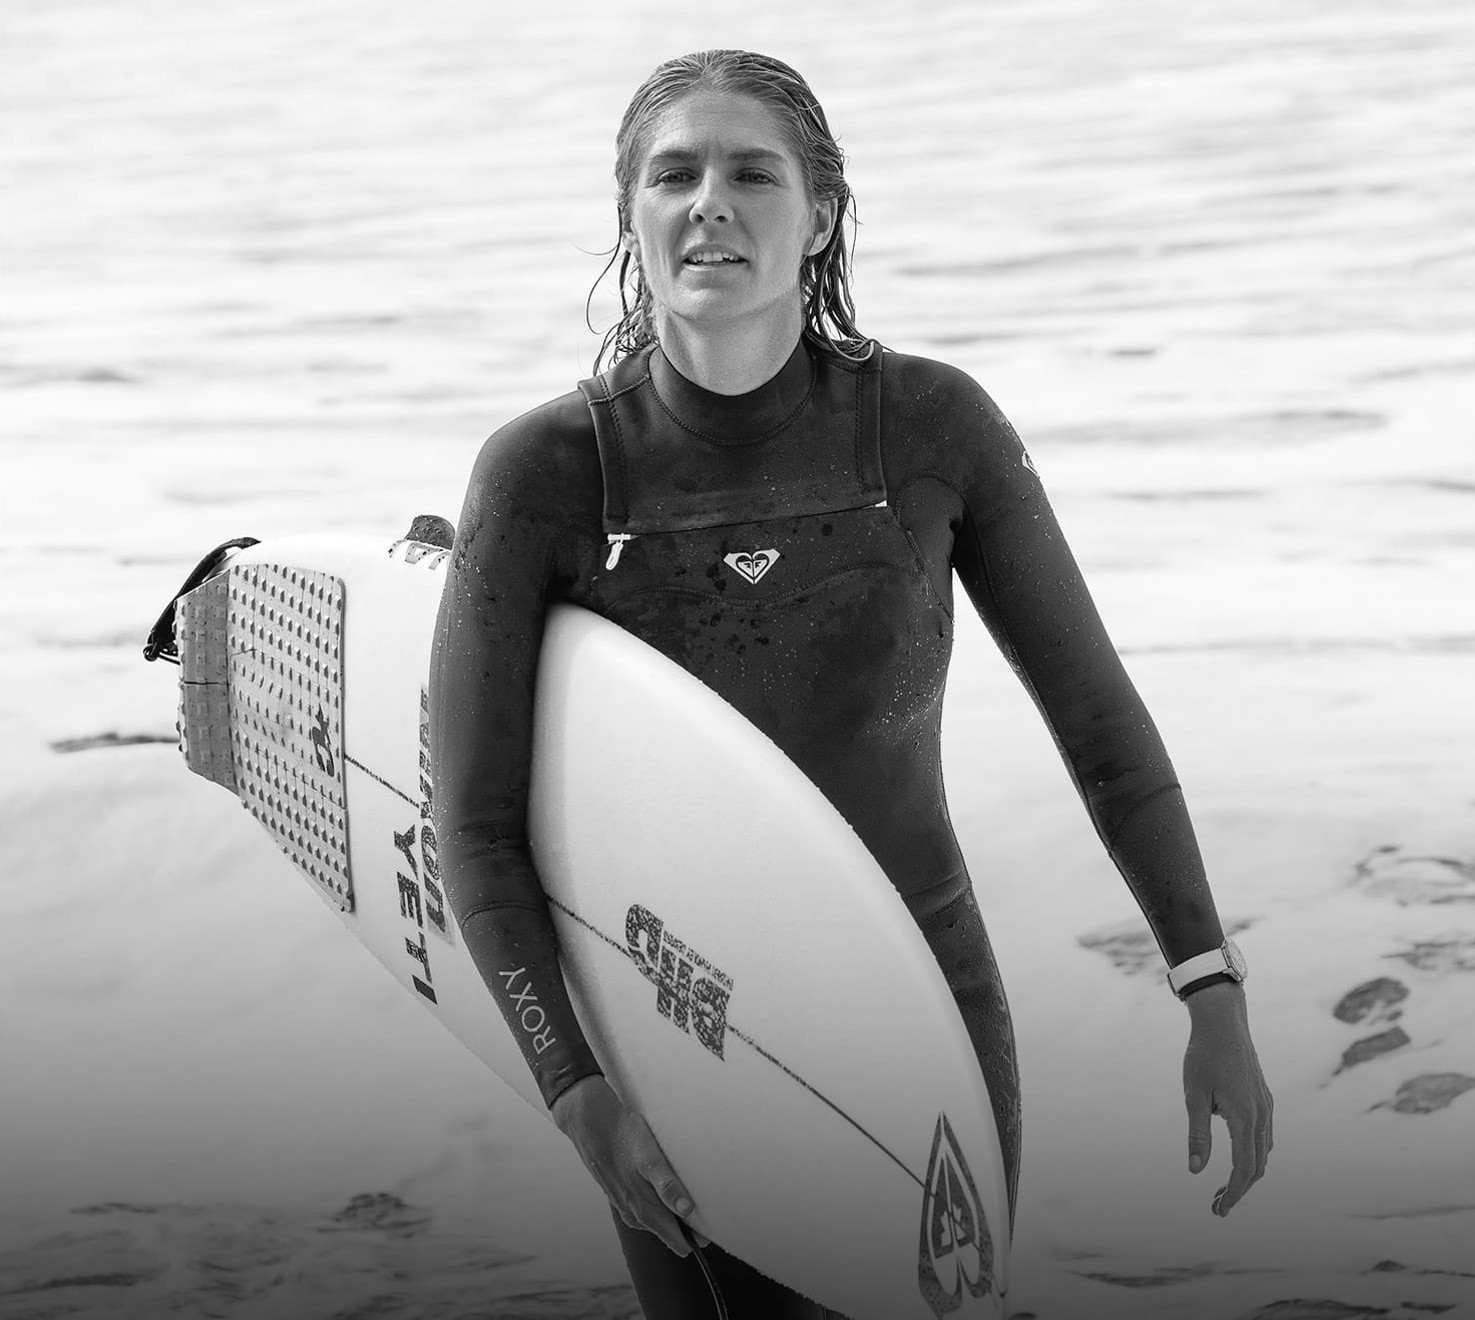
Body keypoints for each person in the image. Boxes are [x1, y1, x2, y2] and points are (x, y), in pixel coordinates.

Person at [430, 48, 1272, 1320]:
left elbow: (1099, 730)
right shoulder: (546, 473)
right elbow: (479, 826)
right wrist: (575, 1088)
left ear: (817, 217)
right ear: (631, 217)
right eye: (674, 174)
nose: (708, 199)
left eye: (749, 172)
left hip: (913, 1007)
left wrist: (1208, 989)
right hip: (670, 1020)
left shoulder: (931, 431)